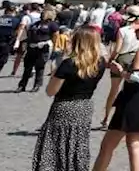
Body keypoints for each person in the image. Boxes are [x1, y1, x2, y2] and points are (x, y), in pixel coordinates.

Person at [92, 17, 139, 171]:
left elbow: (136, 78)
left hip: (132, 102)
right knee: (134, 143)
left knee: (107, 145)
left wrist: (121, 71)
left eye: (138, 29)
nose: (136, 32)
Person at [33, 27, 108, 171]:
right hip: (85, 106)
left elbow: (51, 91)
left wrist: (59, 64)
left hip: (65, 106)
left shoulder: (69, 64)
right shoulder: (100, 63)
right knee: (77, 143)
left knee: (56, 143)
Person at [101, 6, 139, 126]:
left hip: (122, 58)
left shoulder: (123, 30)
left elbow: (117, 49)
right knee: (131, 89)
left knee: (113, 90)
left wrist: (111, 59)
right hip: (135, 58)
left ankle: (106, 118)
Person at [19, 8, 59, 94]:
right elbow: (29, 34)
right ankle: (22, 85)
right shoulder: (36, 24)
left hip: (43, 47)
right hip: (32, 47)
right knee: (27, 67)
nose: (42, 15)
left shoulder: (52, 25)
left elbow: (56, 36)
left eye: (44, 14)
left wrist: (55, 47)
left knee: (39, 67)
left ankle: (37, 85)